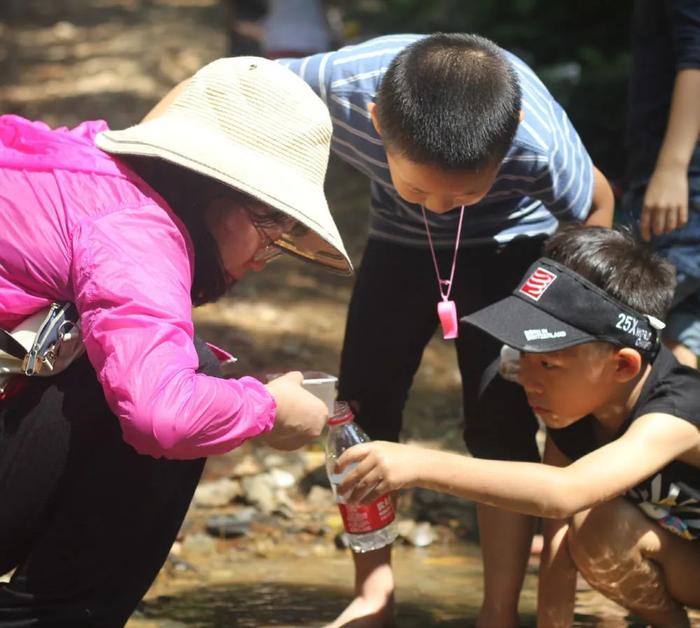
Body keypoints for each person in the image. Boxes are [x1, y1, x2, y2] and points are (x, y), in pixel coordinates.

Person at [277, 33, 615, 627]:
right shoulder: (339, 83)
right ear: (379, 122)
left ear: (505, 141)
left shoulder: (538, 140)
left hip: (512, 247)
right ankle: (373, 593)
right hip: (398, 246)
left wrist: (556, 321)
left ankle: (498, 610)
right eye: (420, 187)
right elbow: (228, 84)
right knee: (358, 411)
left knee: (499, 420)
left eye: (464, 191)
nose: (439, 205)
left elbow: (597, 207)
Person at [0, 56, 352, 626]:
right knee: (194, 375)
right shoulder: (136, 230)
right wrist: (268, 407)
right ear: (212, 192)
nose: (264, 260)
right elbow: (161, 416)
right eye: (271, 230)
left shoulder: (78, 169)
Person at [337, 225, 700, 627]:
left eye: (548, 363)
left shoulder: (678, 413)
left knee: (592, 517)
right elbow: (559, 544)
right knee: (595, 528)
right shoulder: (579, 416)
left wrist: (418, 465)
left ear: (622, 365)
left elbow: (564, 492)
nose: (527, 378)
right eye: (522, 355)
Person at [622, 0, 700, 369]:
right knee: (684, 327)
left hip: (685, 183)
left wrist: (672, 167)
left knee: (645, 326)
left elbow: (696, 58)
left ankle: (661, 422)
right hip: (679, 176)